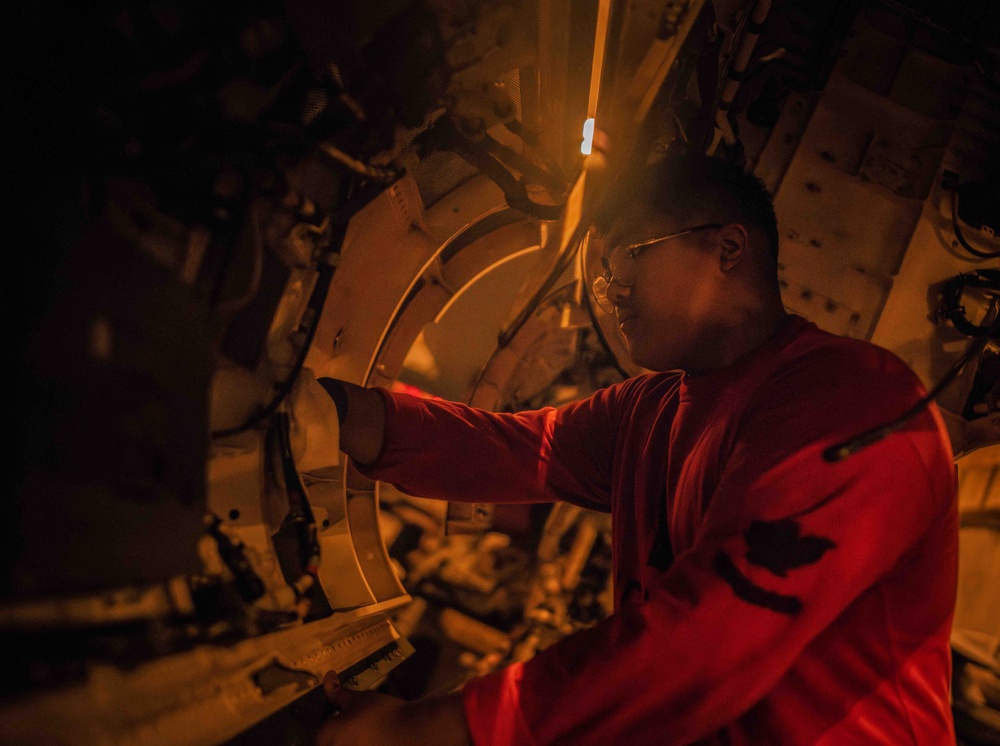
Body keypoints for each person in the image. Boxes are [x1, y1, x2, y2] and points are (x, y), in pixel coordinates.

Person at [304, 150, 958, 745]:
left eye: (633, 254)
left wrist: (433, 731)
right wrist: (337, 416)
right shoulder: (653, 409)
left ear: (728, 248)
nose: (611, 288)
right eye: (604, 268)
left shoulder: (853, 399)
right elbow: (524, 448)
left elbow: (710, 640)